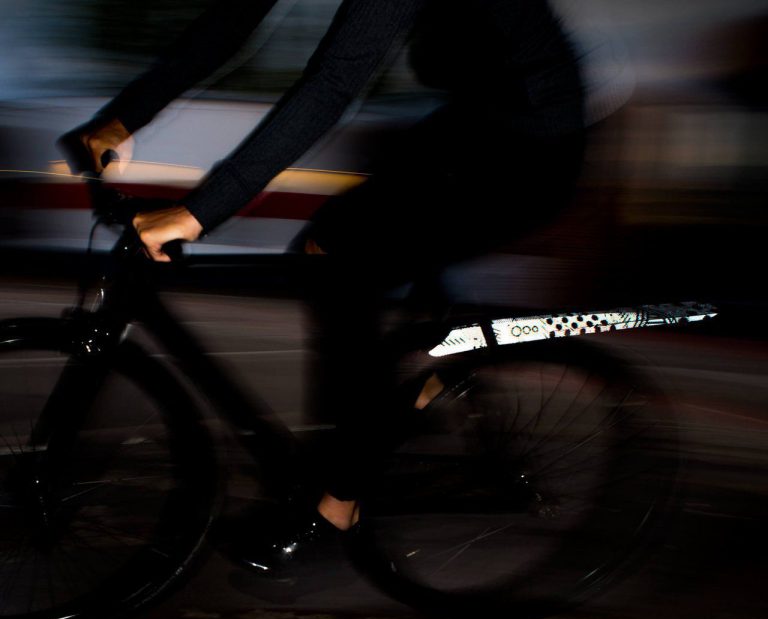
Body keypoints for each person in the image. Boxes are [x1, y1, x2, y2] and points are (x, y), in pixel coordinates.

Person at [62, 0, 587, 571]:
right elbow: (223, 23)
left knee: (341, 255)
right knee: (345, 246)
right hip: (475, 120)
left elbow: (334, 81)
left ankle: (340, 503)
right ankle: (421, 383)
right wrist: (124, 115)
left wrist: (199, 212)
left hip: (534, 148)